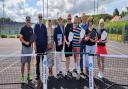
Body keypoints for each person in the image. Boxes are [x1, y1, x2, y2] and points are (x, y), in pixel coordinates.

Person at [19, 16, 33, 82]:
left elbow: (32, 38)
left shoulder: (31, 29)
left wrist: (32, 47)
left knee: (29, 63)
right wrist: (25, 42)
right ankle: (22, 77)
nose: (28, 21)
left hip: (30, 48)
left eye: (29, 20)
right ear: (25, 21)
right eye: (27, 20)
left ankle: (29, 75)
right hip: (24, 48)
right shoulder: (22, 28)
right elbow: (20, 38)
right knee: (23, 63)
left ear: (30, 21)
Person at [34, 13, 48, 80]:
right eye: (39, 17)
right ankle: (38, 75)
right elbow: (34, 37)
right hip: (38, 47)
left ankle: (44, 74)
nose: (40, 18)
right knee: (38, 62)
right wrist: (35, 46)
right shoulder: (36, 26)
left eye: (41, 17)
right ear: (38, 18)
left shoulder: (44, 26)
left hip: (43, 47)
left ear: (42, 18)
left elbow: (46, 37)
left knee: (44, 62)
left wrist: (46, 47)